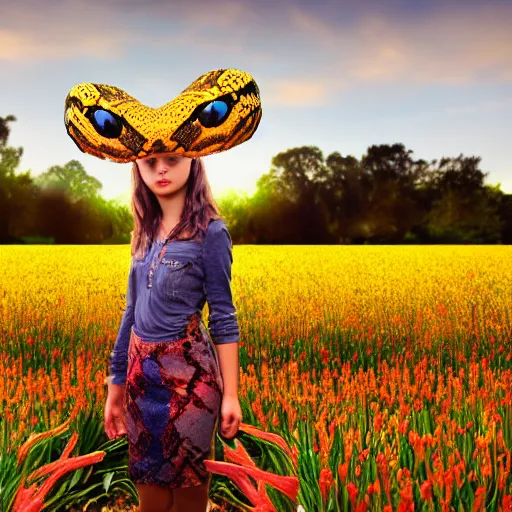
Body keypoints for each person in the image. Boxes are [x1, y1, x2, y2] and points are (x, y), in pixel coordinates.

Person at [103, 153, 242, 512]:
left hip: (190, 385)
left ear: (193, 162)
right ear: (138, 169)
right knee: (149, 496)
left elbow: (223, 318)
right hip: (140, 382)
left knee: (188, 497)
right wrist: (115, 386)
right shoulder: (143, 234)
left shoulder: (211, 232)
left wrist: (231, 395)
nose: (161, 169)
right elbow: (130, 313)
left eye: (171, 159)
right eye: (149, 162)